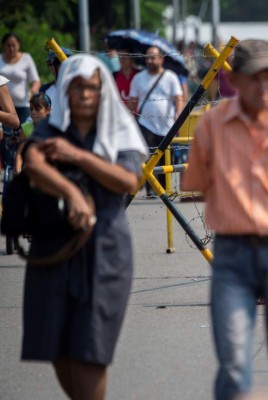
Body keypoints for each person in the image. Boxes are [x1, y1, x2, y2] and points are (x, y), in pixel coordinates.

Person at [181, 39, 268, 400]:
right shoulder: (212, 125)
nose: (264, 87)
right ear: (235, 79)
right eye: (254, 78)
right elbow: (196, 184)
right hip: (232, 256)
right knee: (233, 364)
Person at [20, 54, 148, 400]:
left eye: (92, 87)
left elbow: (126, 179)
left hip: (104, 248)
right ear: (65, 90)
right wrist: (71, 192)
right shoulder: (52, 126)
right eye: (77, 87)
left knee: (90, 350)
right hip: (55, 246)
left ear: (103, 91)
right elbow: (32, 162)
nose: (85, 94)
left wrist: (77, 157)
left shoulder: (118, 128)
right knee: (58, 347)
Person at [128, 46, 184, 196]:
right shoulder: (138, 78)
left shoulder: (171, 77)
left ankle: (164, 190)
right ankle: (151, 189)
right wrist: (129, 118)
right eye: (148, 57)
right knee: (148, 157)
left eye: (153, 57)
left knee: (166, 158)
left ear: (161, 59)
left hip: (167, 126)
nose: (150, 60)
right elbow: (132, 101)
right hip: (146, 125)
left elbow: (178, 97)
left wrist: (178, 113)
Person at [0, 33, 40, 128]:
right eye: (8, 45)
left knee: (23, 133)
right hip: (2, 107)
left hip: (23, 105)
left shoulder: (26, 58)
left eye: (14, 45)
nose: (11, 49)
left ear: (19, 45)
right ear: (3, 46)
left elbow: (35, 81)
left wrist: (32, 92)